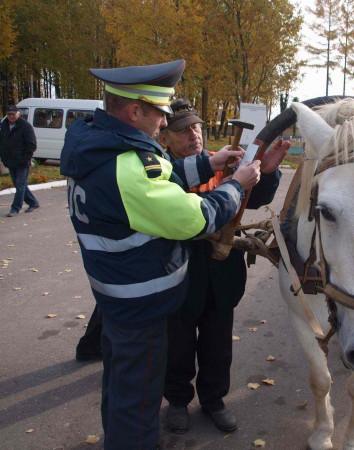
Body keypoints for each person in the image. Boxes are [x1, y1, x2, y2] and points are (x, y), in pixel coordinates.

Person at [59, 59, 262, 450]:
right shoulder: (127, 166)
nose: (163, 124)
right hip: (141, 308)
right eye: (160, 114)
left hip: (116, 299)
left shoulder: (98, 146)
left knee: (119, 391)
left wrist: (210, 163)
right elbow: (195, 217)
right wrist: (235, 185)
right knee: (137, 410)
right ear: (135, 111)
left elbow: (159, 176)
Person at [159, 98, 290, 433]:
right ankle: (176, 400)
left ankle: (214, 401)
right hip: (180, 271)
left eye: (196, 127)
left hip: (222, 274)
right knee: (178, 345)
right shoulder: (160, 171)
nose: (194, 135)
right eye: (183, 130)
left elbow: (254, 199)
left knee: (218, 346)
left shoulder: (223, 162)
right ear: (165, 139)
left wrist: (269, 172)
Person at [0, 105, 40, 217]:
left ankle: (15, 208)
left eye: (13, 114)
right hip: (10, 161)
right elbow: (2, 143)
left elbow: (32, 144)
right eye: (9, 114)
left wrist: (25, 159)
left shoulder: (25, 126)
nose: (11, 116)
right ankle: (33, 202)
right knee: (18, 184)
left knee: (20, 185)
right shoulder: (4, 125)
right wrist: (3, 158)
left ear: (18, 114)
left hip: (22, 161)